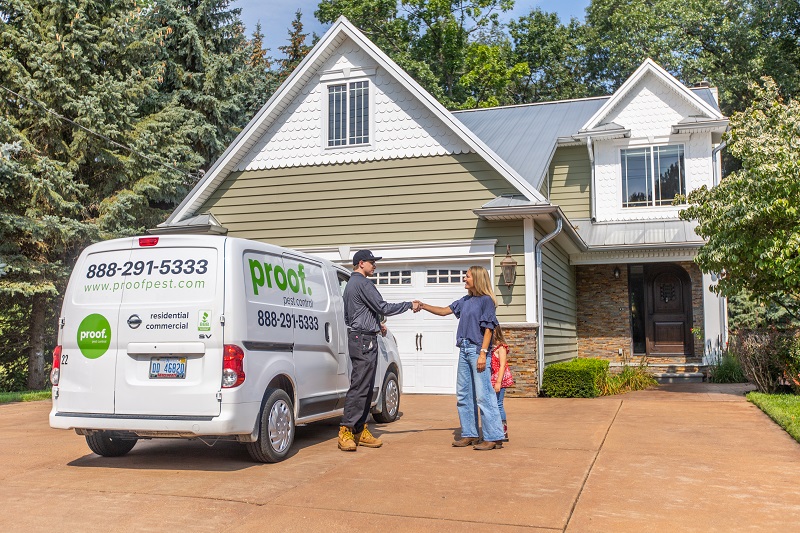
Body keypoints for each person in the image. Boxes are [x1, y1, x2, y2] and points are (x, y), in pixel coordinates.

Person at [414, 266, 505, 450]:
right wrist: (423, 305)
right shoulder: (465, 301)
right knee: (464, 393)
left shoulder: (486, 301)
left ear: (477, 279)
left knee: (484, 395)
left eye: (468, 276)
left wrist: (483, 353)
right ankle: (470, 434)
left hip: (477, 350)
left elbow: (489, 328)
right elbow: (443, 311)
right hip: (464, 350)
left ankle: (493, 436)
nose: (464, 278)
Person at [339, 250, 419, 452]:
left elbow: (354, 315)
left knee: (365, 386)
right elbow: (383, 307)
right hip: (363, 339)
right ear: (361, 263)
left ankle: (359, 430)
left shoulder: (350, 285)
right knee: (359, 386)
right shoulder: (364, 283)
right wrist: (409, 305)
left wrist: (376, 324)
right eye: (372, 262)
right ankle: (346, 431)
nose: (375, 266)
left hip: (361, 337)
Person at [490, 325, 514, 442]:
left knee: (498, 404)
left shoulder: (501, 347)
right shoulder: (490, 347)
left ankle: (503, 432)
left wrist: (498, 382)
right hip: (491, 379)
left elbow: (503, 365)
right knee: (492, 404)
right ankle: (494, 429)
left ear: (496, 332)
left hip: (500, 379)